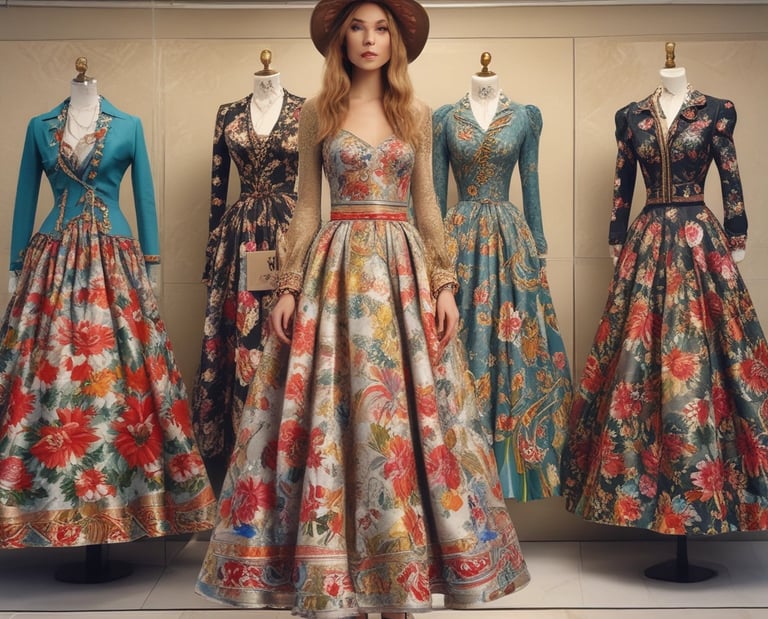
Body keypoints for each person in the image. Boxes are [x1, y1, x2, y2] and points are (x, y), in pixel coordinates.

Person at [195, 2, 530, 617]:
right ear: (339, 38)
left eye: (382, 29)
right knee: (330, 412)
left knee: (408, 420)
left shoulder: (418, 116)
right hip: (336, 270)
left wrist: (445, 283)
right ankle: (333, 580)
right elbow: (304, 209)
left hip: (401, 274)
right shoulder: (317, 116)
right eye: (358, 26)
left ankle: (400, 582)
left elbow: (428, 206)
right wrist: (289, 286)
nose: (370, 39)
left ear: (396, 42)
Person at [0, 64, 216, 548]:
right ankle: (46, 504)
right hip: (51, 255)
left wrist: (153, 262)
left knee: (130, 373)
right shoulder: (40, 126)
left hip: (116, 255)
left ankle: (131, 497)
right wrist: (18, 262)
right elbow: (24, 196)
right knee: (50, 371)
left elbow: (144, 198)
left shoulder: (130, 125)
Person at [561, 61, 768, 536]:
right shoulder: (631, 116)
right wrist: (616, 235)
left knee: (715, 350)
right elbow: (622, 185)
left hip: (701, 238)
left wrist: (738, 231)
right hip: (648, 236)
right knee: (638, 352)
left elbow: (730, 178)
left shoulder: (716, 111)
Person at [432, 57, 572, 501]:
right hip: (458, 241)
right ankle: (459, 471)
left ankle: (510, 470)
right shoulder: (445, 118)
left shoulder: (525, 117)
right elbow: (435, 195)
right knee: (462, 347)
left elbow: (530, 183)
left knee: (515, 353)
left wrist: (538, 246)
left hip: (512, 241)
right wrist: (429, 259)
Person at [191, 51, 304, 475]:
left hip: (291, 234)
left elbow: (313, 185)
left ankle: (289, 450)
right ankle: (241, 457)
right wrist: (211, 258)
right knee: (238, 336)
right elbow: (218, 187)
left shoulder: (306, 111)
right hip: (238, 240)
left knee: (288, 334)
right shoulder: (229, 113)